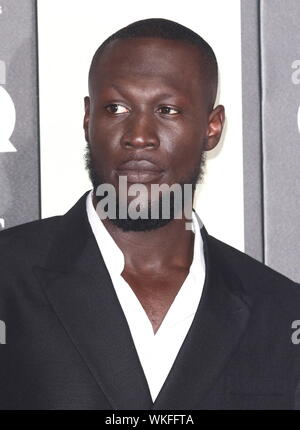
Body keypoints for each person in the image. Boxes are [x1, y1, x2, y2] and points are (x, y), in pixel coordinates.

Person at [0, 18, 300, 411]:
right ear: (89, 119)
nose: (139, 135)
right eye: (117, 107)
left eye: (167, 109)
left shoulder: (279, 310)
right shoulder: (8, 277)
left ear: (212, 127)